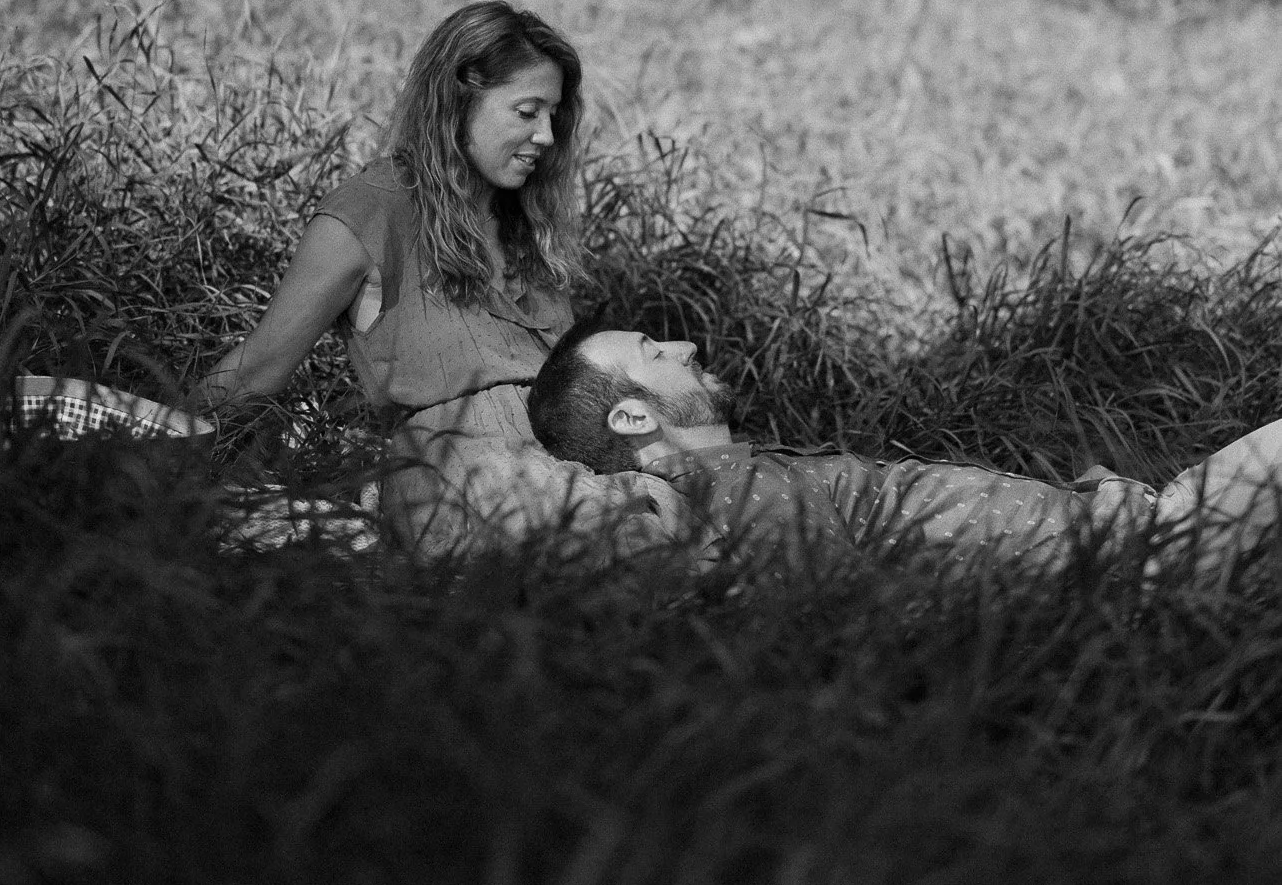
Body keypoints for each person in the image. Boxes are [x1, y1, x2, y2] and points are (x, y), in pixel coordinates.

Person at [190, 5, 683, 554]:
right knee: (642, 542)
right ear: (458, 100)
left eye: (553, 116)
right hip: (460, 477)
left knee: (719, 506)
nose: (545, 135)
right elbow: (258, 367)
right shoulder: (370, 214)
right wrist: (141, 445)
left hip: (570, 476)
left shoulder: (525, 227)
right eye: (526, 112)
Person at [527, 321, 1282, 580]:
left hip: (1131, 532)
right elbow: (847, 600)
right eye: (653, 350)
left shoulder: (752, 472)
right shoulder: (734, 493)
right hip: (1142, 552)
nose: (685, 345)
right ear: (631, 418)